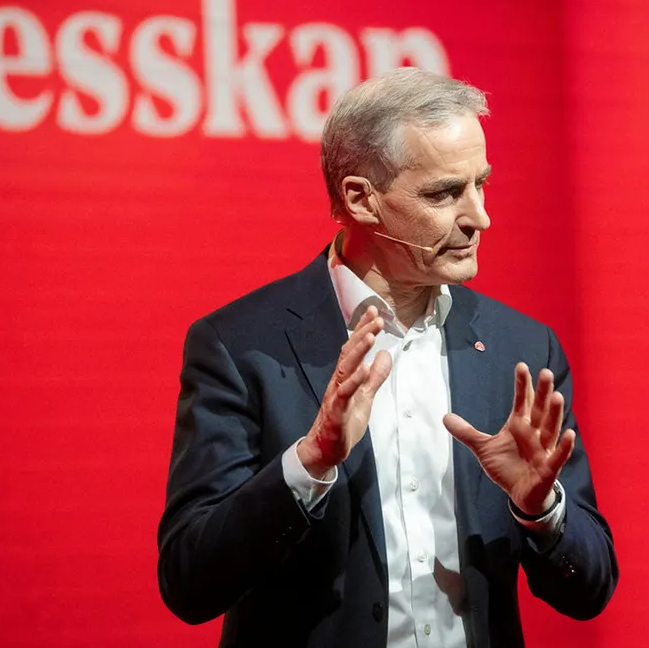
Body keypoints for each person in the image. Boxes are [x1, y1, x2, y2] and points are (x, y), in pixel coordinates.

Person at [157, 68, 618, 648]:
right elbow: (189, 582)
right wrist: (308, 464)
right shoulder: (241, 345)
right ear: (361, 199)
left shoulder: (521, 349)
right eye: (444, 194)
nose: (479, 217)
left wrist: (540, 509)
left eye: (481, 184)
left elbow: (590, 590)